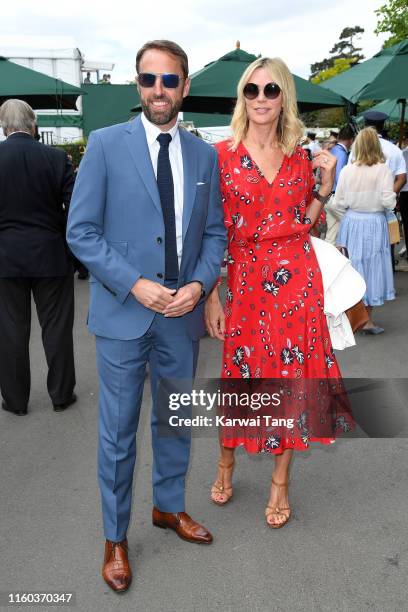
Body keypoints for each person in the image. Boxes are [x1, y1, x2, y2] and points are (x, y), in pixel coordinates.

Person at [67, 40, 226, 593]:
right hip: (121, 316)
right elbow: (80, 232)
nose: (158, 90)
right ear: (139, 86)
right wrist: (134, 283)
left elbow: (213, 235)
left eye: (169, 80)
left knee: (175, 420)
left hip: (181, 319)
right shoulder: (106, 146)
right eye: (148, 79)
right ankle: (115, 537)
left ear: (185, 87)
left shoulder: (205, 156)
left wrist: (202, 284)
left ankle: (167, 507)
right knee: (117, 433)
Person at [204, 57, 345, 529]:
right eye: (252, 90)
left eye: (271, 90)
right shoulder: (220, 156)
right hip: (244, 283)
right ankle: (227, 462)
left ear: (284, 97)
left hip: (296, 283)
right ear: (242, 97)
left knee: (291, 382)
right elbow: (211, 232)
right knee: (242, 381)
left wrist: (324, 188)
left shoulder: (301, 157)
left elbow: (305, 224)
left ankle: (281, 482)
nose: (261, 99)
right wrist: (211, 294)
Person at [0, 99, 76, 416]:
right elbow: (76, 209)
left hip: (5, 258)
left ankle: (16, 400)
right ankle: (61, 394)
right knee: (56, 328)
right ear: (34, 125)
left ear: (4, 128)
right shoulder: (57, 158)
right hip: (51, 255)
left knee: (10, 331)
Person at [334, 127, 396, 334]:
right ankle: (367, 320)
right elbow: (388, 201)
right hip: (374, 222)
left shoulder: (347, 170)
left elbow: (339, 201)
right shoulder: (383, 170)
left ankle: (352, 318)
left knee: (352, 268)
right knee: (373, 268)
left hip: (352, 221)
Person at [325, 125, 355, 245]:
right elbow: (339, 176)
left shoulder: (333, 150)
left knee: (331, 234)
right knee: (353, 227)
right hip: (336, 198)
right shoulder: (342, 154)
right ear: (351, 140)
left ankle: (326, 262)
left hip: (327, 197)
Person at [398, 138, 408, 259]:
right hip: (405, 191)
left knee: (406, 223)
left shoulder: (402, 154)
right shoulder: (401, 153)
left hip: (405, 192)